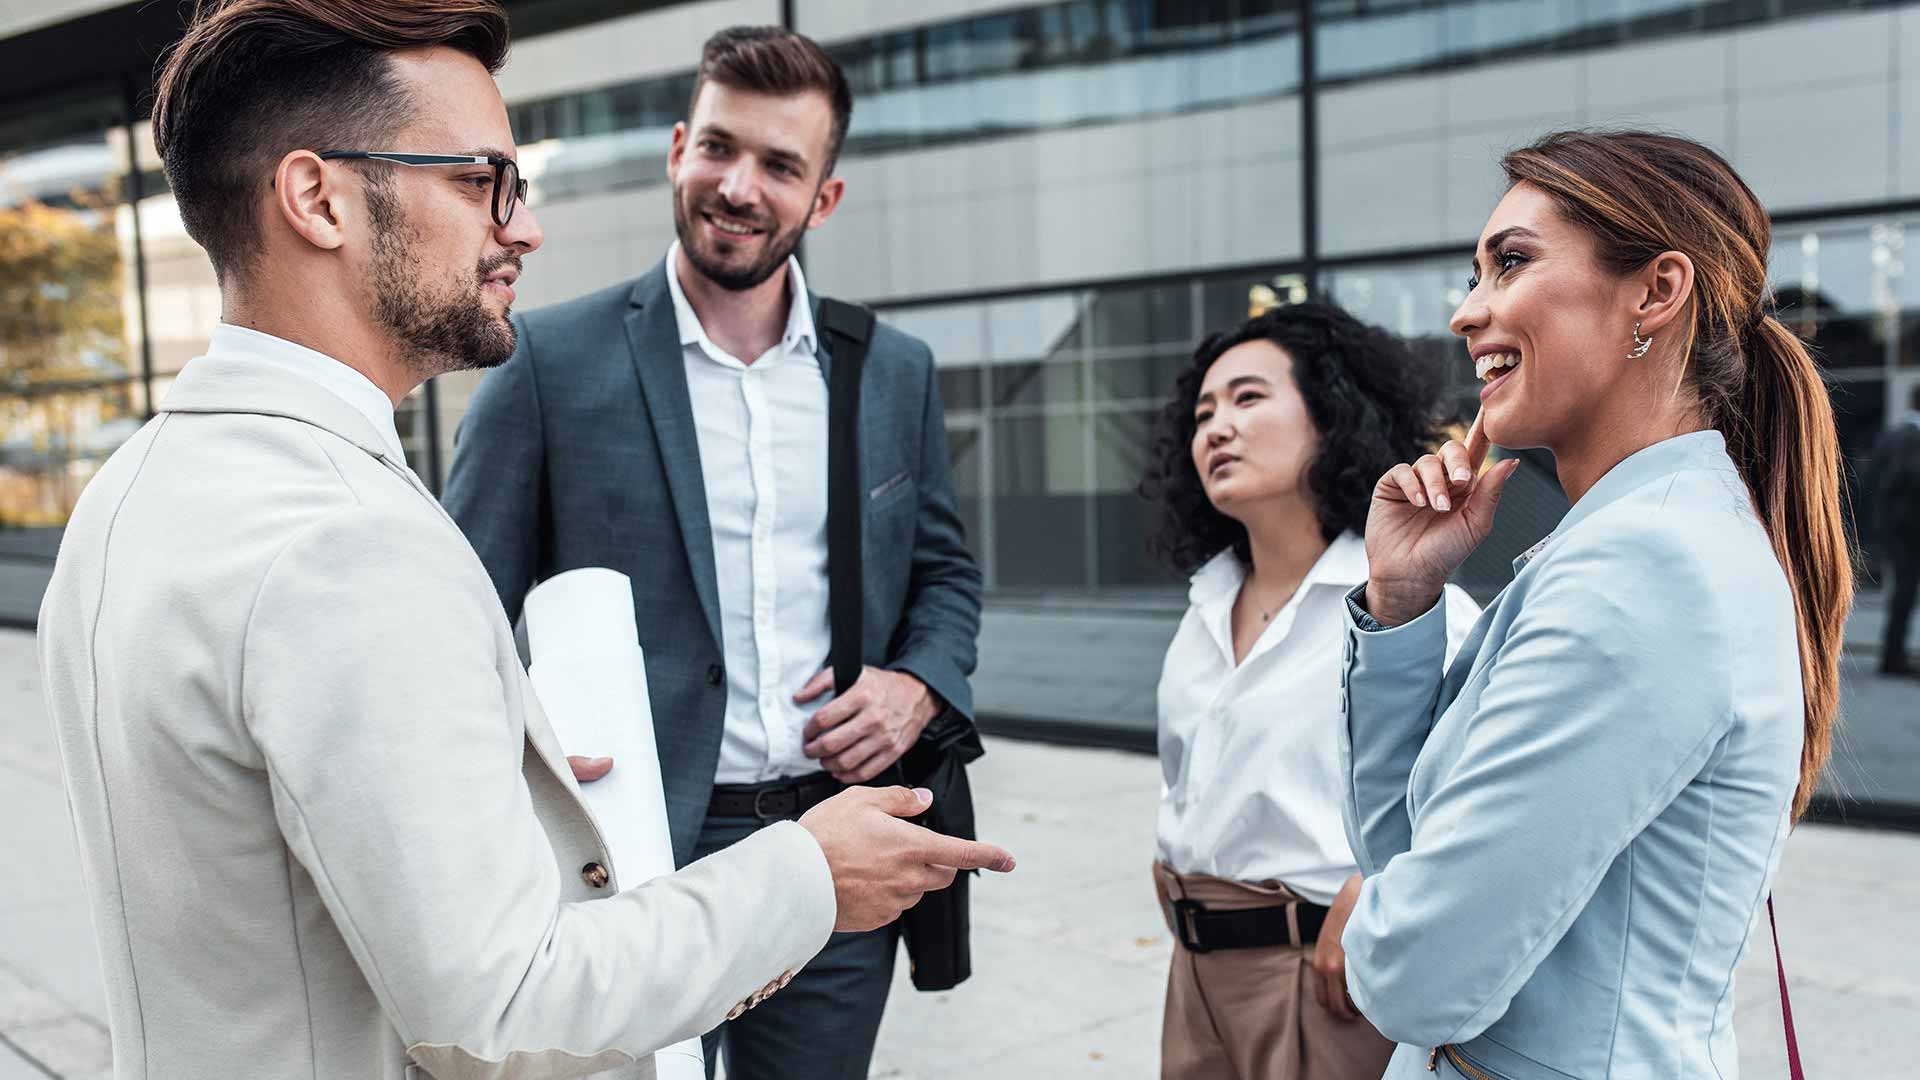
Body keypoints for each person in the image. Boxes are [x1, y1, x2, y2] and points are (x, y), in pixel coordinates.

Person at [34, 3, 1012, 1078]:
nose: (523, 227)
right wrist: (811, 877)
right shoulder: (352, 545)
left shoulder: (129, 492)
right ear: (318, 199)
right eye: (478, 181)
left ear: (822, 196)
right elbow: (499, 1011)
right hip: (662, 870)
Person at [442, 26, 984, 1080]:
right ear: (679, 148)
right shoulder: (547, 360)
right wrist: (519, 729)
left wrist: (919, 682)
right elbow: (456, 608)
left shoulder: (889, 371)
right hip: (630, 860)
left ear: (822, 198)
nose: (740, 186)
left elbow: (948, 575)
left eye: (780, 165)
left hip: (832, 851)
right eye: (721, 148)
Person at [1335, 129, 1851, 1077]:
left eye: (1509, 264)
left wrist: (1373, 934)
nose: (1465, 311)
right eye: (1475, 273)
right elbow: (1402, 850)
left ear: (1656, 292)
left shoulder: (1644, 568)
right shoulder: (1625, 541)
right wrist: (1403, 608)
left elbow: (1412, 978)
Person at [1140, 304, 1481, 1079]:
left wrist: (1378, 889)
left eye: (1248, 398)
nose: (1217, 428)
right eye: (1203, 413)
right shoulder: (1204, 605)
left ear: (1330, 416)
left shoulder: (1407, 604)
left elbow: (1484, 796)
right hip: (1194, 975)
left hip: (1321, 978)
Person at [1869, 383, 1920, 676]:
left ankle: (1893, 653)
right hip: (1909, 532)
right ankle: (1893, 656)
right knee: (1904, 594)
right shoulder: (1912, 439)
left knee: (1903, 593)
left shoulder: (1892, 436)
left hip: (1896, 530)